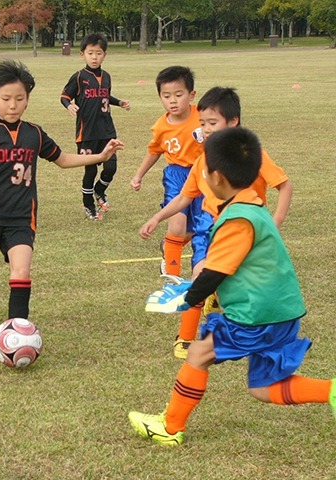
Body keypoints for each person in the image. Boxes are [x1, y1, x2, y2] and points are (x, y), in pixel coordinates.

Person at [129, 127, 335, 446]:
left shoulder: (237, 219)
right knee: (263, 388)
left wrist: (186, 298)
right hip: (282, 311)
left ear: (216, 178)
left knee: (198, 353)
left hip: (256, 315)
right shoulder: (252, 204)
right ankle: (332, 392)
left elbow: (216, 271)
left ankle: (170, 428)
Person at [0, 60, 124, 321]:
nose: (13, 104)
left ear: (27, 99)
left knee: (21, 272)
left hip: (20, 218)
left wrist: (101, 155)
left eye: (20, 98)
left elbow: (62, 159)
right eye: (6, 98)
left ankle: (17, 327)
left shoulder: (34, 134)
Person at [139, 87, 293, 358]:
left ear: (233, 122)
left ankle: (227, 313)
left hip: (245, 233)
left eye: (213, 123)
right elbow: (184, 198)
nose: (206, 129)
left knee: (232, 285)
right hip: (208, 228)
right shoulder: (202, 161)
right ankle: (185, 338)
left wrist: (276, 222)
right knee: (200, 275)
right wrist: (157, 217)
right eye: (202, 123)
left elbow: (284, 185)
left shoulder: (251, 154)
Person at [130, 66, 205, 358]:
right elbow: (154, 150)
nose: (173, 101)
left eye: (179, 94)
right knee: (177, 224)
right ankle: (172, 277)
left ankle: (172, 248)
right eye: (166, 96)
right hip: (176, 176)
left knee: (194, 228)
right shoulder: (161, 126)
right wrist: (138, 175)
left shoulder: (203, 116)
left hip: (202, 177)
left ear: (191, 95)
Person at [60, 32, 130, 221]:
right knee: (90, 170)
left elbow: (104, 96)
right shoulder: (79, 77)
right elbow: (65, 96)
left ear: (104, 55)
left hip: (107, 131)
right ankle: (88, 204)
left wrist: (119, 102)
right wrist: (70, 105)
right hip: (87, 133)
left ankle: (99, 189)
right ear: (82, 54)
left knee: (111, 168)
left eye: (98, 53)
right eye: (90, 53)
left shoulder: (106, 76)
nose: (94, 57)